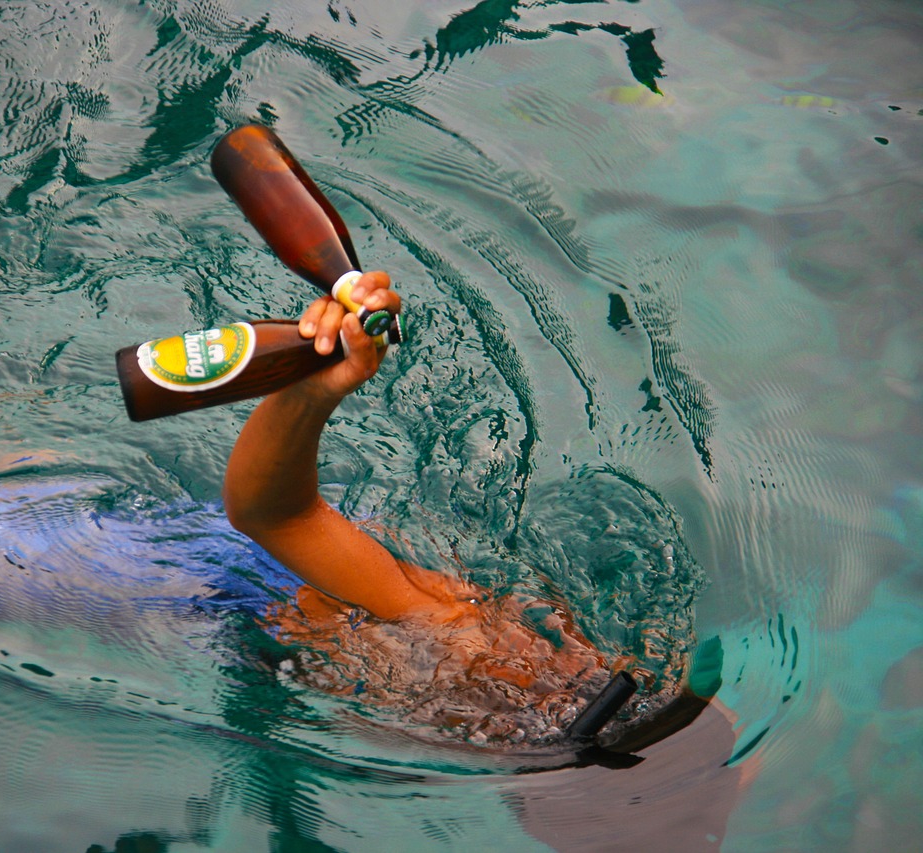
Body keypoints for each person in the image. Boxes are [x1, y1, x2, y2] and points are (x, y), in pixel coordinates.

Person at [223, 271, 628, 746]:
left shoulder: (475, 666)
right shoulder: (448, 629)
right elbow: (271, 517)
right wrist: (309, 394)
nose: (579, 656)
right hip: (184, 580)